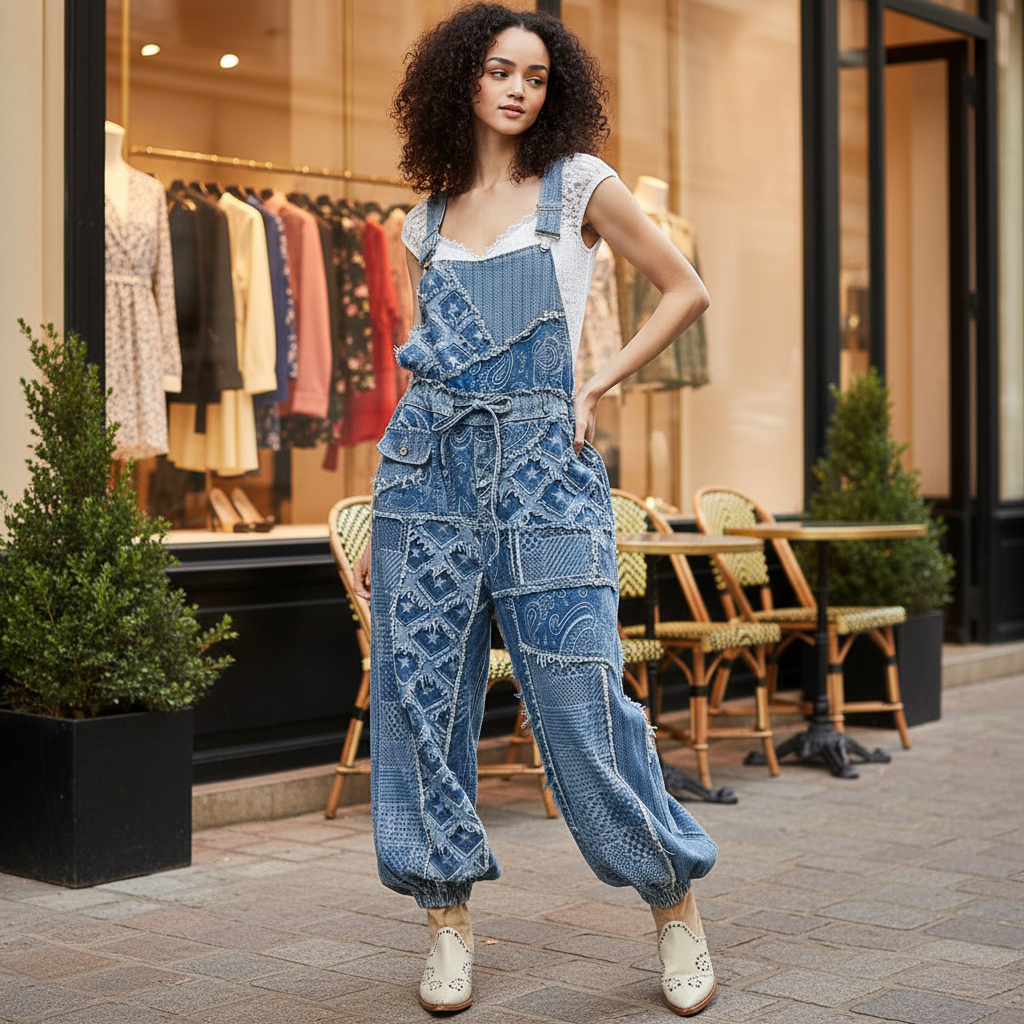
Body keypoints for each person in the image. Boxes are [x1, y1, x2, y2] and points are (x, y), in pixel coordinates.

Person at [352, 4, 717, 1015]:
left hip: (546, 476)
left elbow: (684, 289)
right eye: (500, 70)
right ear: (461, 80)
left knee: (584, 705)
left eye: (537, 76)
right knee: (421, 704)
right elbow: (422, 375)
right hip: (426, 479)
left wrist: (595, 384)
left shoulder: (580, 186)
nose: (518, 89)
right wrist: (383, 510)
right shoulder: (423, 222)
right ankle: (445, 920)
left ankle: (673, 902)